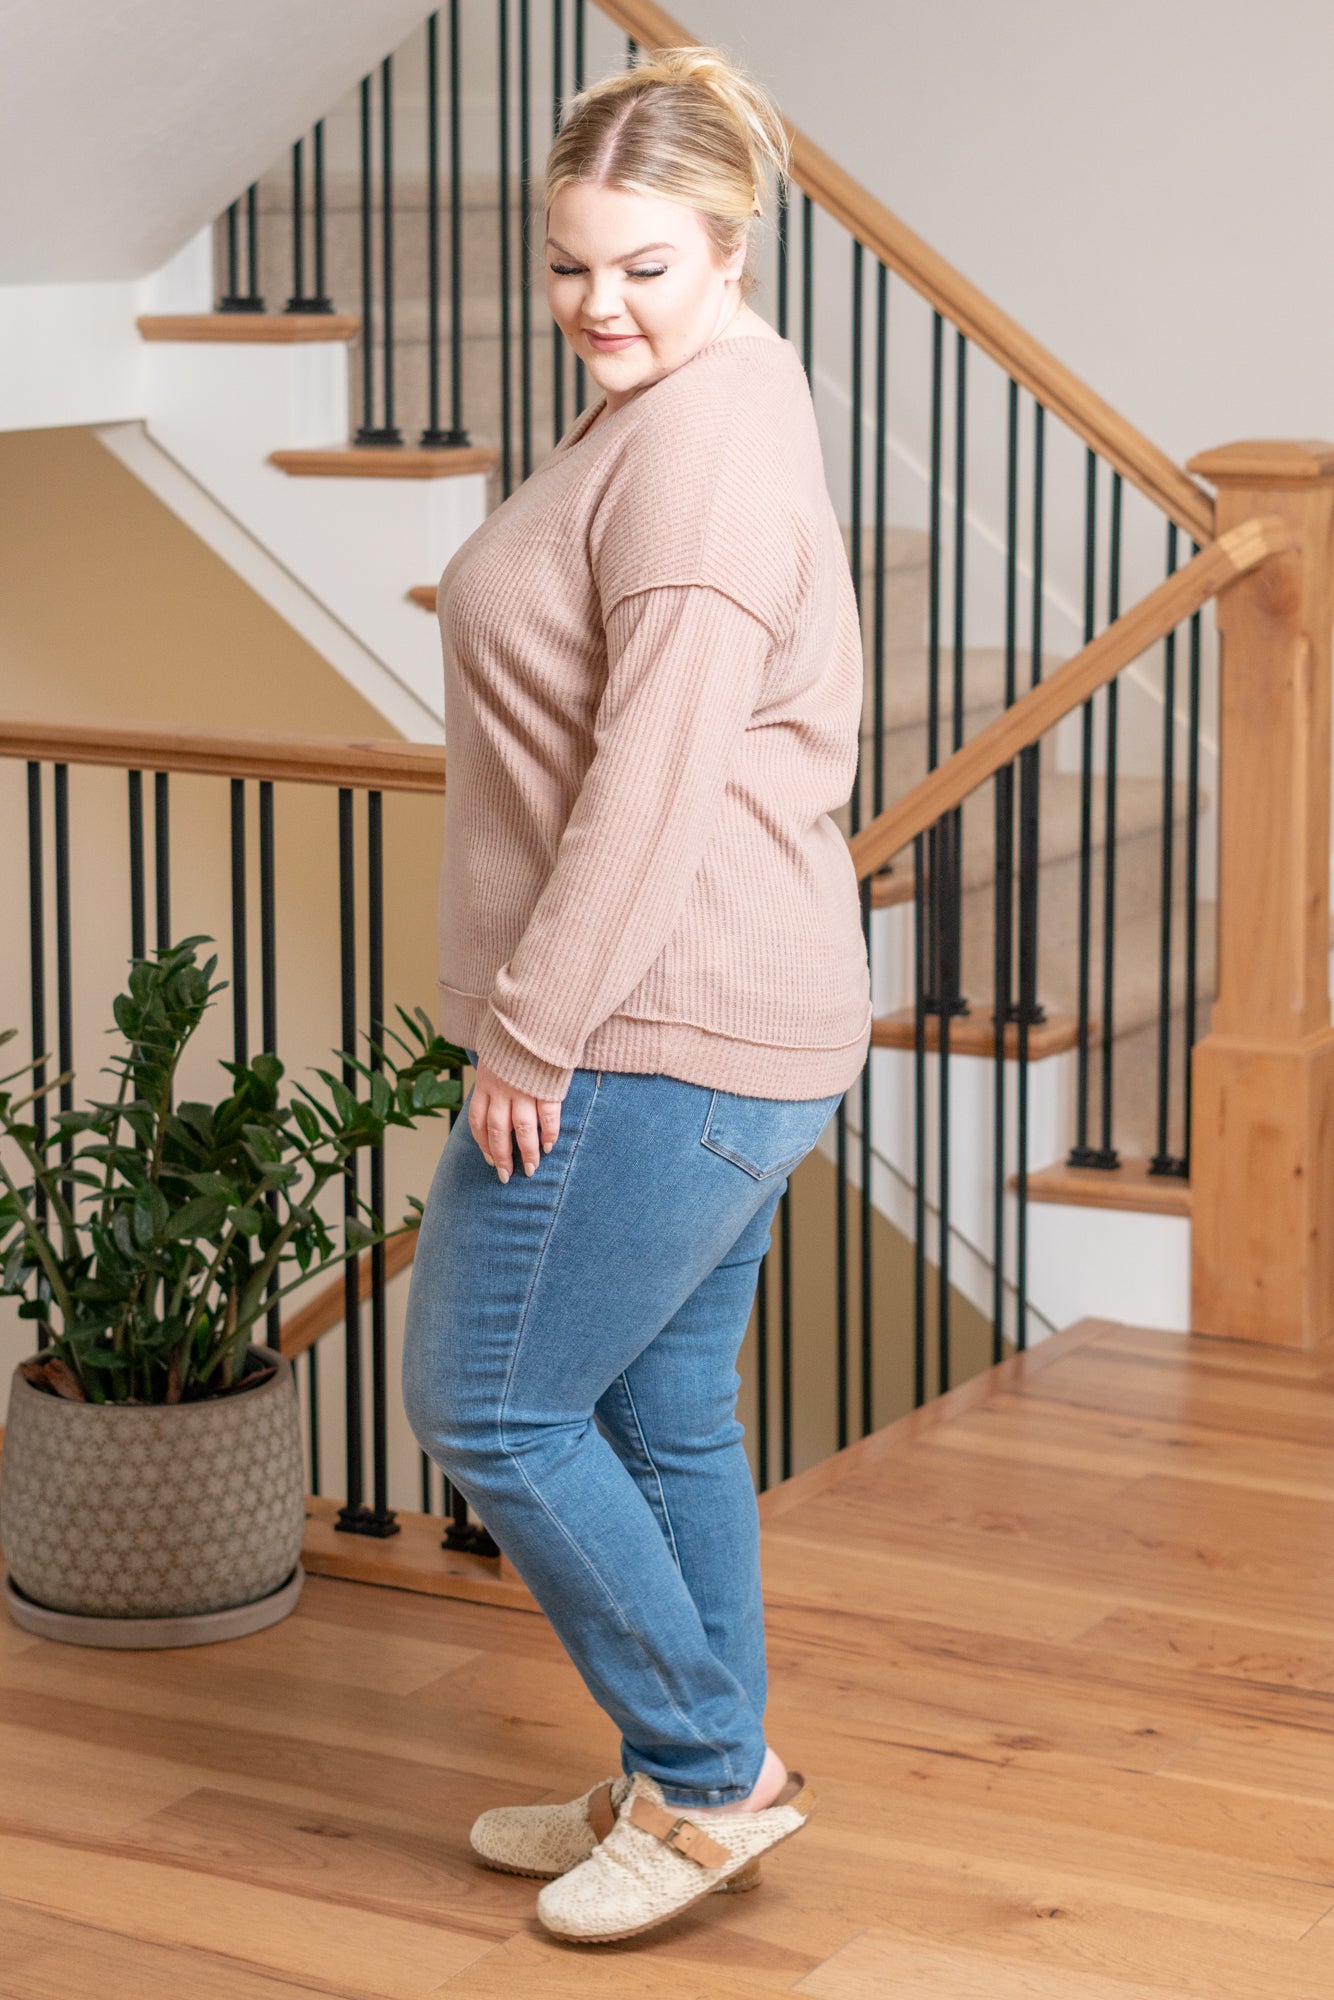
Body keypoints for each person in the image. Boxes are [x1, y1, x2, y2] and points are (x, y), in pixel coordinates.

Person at [401, 41, 873, 1946]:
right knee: (667, 1409)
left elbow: (652, 780)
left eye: (644, 267)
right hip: (727, 1015)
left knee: (486, 1403)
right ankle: (684, 1773)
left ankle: (704, 1775)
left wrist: (531, 1030)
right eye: (569, 264)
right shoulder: (701, 395)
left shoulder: (698, 453)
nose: (598, 304)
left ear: (730, 251)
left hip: (650, 1027)